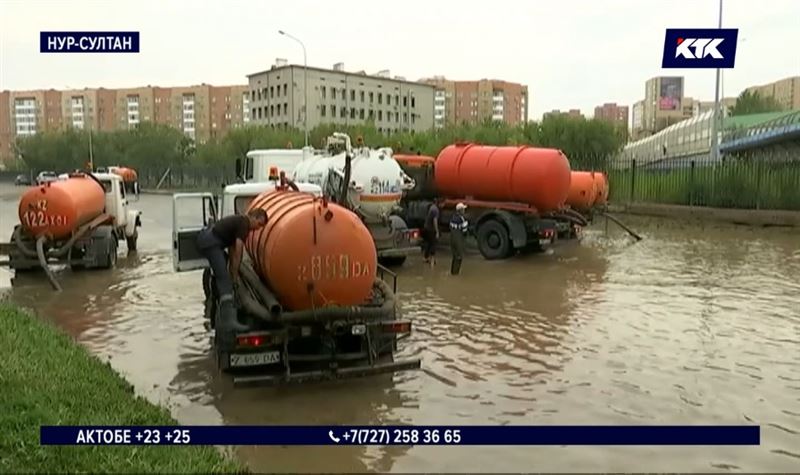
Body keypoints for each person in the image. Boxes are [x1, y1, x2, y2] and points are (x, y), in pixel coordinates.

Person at [196, 208, 268, 332]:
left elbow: (232, 248)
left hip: (208, 238)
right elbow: (238, 250)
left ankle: (216, 318)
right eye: (259, 224)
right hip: (211, 243)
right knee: (224, 280)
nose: (258, 228)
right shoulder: (244, 224)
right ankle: (228, 322)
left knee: (224, 276)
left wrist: (234, 272)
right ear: (254, 218)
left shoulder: (240, 221)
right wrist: (233, 276)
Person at [449, 202, 469, 275]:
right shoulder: (462, 219)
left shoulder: (452, 217)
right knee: (459, 256)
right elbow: (464, 231)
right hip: (458, 239)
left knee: (454, 256)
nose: (464, 211)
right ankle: (456, 273)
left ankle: (452, 272)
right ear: (460, 210)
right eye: (463, 209)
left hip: (452, 239)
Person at [422, 200, 440, 266]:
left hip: (426, 227)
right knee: (433, 243)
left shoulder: (431, 207)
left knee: (428, 243)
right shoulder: (436, 210)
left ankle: (425, 257)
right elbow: (435, 221)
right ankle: (432, 260)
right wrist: (437, 231)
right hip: (431, 229)